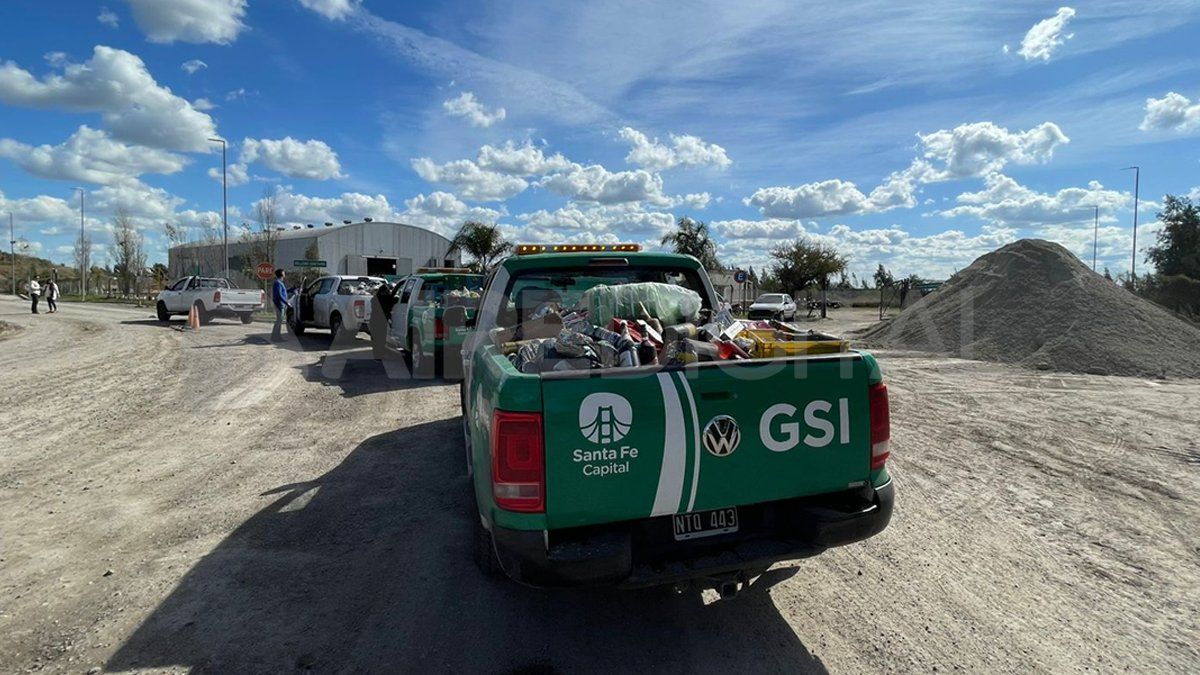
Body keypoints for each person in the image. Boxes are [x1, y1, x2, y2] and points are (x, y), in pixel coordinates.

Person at [271, 268, 287, 341]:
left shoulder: (280, 283)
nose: (285, 274)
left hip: (281, 304)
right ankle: (275, 337)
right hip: (279, 304)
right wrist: (286, 303)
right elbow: (279, 295)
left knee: (279, 321)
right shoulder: (278, 283)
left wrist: (292, 289)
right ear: (281, 274)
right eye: (284, 272)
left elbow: (284, 292)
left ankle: (276, 336)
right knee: (279, 321)